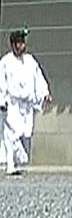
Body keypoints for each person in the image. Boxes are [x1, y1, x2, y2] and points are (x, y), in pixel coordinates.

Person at [0, 30, 51, 175]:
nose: (22, 46)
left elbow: (38, 77)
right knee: (11, 133)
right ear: (13, 45)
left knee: (25, 132)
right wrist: (2, 100)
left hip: (26, 104)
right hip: (12, 103)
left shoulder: (30, 60)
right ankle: (10, 165)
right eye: (19, 43)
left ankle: (18, 162)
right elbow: (1, 82)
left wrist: (45, 93)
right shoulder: (5, 62)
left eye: (23, 43)